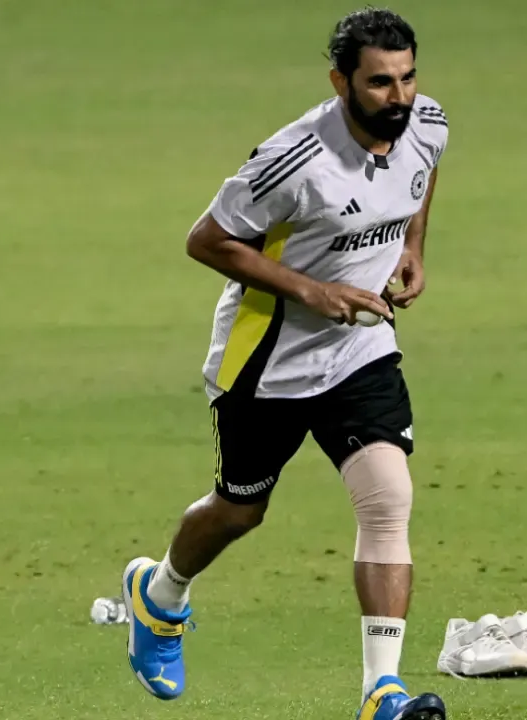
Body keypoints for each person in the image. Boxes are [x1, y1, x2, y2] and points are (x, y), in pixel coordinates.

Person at [122, 8, 466, 720]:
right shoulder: (294, 158)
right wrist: (313, 290)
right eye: (378, 84)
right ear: (341, 80)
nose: (397, 97)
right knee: (239, 510)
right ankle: (159, 599)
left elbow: (422, 173)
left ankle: (382, 692)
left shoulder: (426, 122)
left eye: (405, 78)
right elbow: (207, 240)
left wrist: (411, 247)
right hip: (266, 360)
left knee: (387, 498)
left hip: (359, 349)